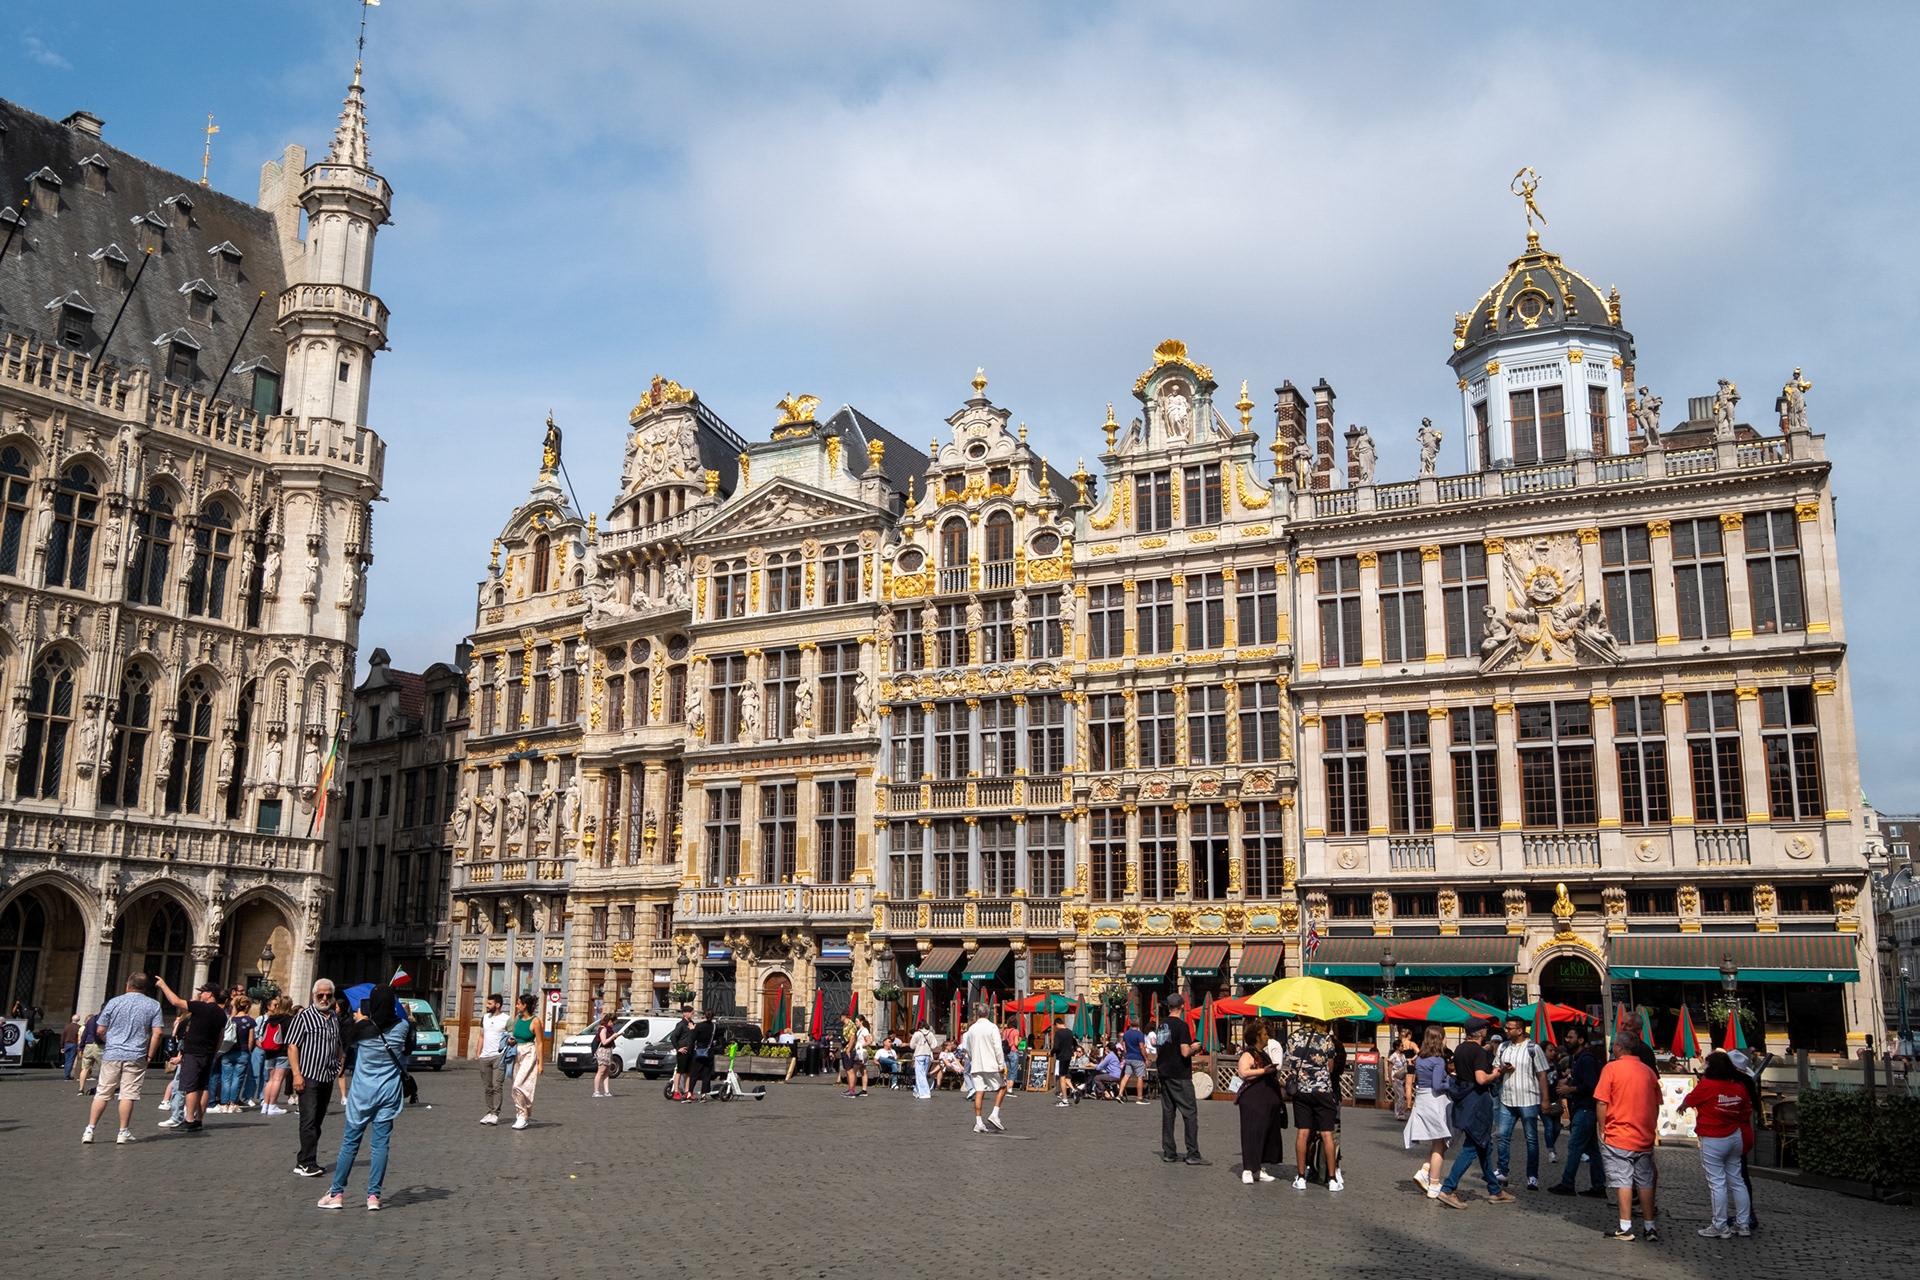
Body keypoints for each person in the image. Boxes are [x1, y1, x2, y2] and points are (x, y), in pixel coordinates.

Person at [316, 982, 411, 1212]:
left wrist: (361, 1017)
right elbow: (407, 1049)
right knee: (380, 1146)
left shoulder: (362, 1029)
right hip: (388, 1092)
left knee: (350, 1144)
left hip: (362, 1094)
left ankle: (337, 1193)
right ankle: (373, 1196)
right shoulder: (402, 1028)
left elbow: (348, 1041)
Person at [1436, 1018, 1517, 1208]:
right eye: (1485, 1029)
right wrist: (1498, 1073)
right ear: (1481, 1032)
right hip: (1477, 1102)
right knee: (1472, 1147)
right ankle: (1448, 1188)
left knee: (1484, 1148)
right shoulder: (1479, 1052)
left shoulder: (1460, 1049)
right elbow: (1481, 1079)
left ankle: (1495, 1191)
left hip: (1464, 1100)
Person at [1594, 1031, 1662, 1242]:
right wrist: (1651, 1127)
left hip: (1619, 1134)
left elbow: (1602, 1102)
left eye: (1613, 1045)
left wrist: (1602, 1128)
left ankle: (1625, 1226)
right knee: (1645, 1181)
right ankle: (1650, 1227)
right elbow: (1657, 1104)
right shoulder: (1648, 1072)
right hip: (1643, 1134)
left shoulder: (1611, 1068)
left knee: (1624, 1180)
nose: (1611, 1048)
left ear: (1620, 1048)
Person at [81, 975, 164, 1145]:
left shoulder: (113, 1002)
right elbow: (158, 1033)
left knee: (102, 1092)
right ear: (145, 987)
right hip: (137, 1054)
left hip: (112, 1053)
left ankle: (89, 1130)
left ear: (127, 986)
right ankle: (123, 1131)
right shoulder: (153, 1005)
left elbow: (101, 1029)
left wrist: (110, 1042)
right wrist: (150, 1054)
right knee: (127, 1094)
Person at [1681, 1052, 1754, 1239]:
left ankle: (1720, 1225)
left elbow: (1688, 1101)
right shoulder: (1738, 1087)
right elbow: (1746, 1111)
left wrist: (1682, 1107)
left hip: (1713, 1137)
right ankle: (1743, 1223)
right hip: (1735, 1135)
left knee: (1717, 1183)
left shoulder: (1706, 1085)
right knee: (1737, 1181)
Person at [287, 979, 345, 1177]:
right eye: (321, 995)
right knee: (308, 1119)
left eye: (328, 995)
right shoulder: (303, 1017)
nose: (324, 998)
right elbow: (292, 1046)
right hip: (308, 1075)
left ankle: (305, 1158)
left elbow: (338, 1043)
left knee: (318, 1120)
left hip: (327, 1076)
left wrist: (339, 1063)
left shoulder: (333, 1018)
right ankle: (307, 1162)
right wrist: (296, 1074)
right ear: (313, 996)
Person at [153, 977, 226, 1131]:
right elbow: (221, 1035)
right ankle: (199, 1119)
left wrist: (163, 985)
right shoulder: (221, 1013)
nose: (200, 994)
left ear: (210, 994)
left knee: (191, 1087)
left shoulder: (201, 1007)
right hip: (208, 1053)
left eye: (203, 992)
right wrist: (214, 1051)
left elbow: (176, 1001)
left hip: (194, 1052)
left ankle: (189, 1120)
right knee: (203, 1087)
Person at [1282, 1016, 1343, 1190]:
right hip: (1322, 1090)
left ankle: (1301, 1177)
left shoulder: (1293, 1037)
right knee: (1326, 1134)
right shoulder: (1325, 1038)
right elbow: (1330, 1068)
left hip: (1302, 1090)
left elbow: (1292, 1064)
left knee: (1303, 1133)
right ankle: (1332, 1179)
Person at [1547, 1025, 1607, 1197]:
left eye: (1571, 1037)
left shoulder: (1586, 1059)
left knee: (1574, 1146)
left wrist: (1570, 1090)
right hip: (1582, 1108)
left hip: (1586, 1109)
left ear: (1581, 1040)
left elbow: (1591, 1086)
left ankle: (1567, 1183)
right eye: (1567, 1037)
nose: (1567, 1040)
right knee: (1592, 1150)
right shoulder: (1577, 1059)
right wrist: (1569, 1083)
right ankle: (1598, 1186)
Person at [1494, 1015, 1550, 1189]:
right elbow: (1496, 1071)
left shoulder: (1533, 1048)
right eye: (1505, 1027)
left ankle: (1532, 1175)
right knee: (1503, 1136)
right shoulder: (1503, 1048)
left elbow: (1542, 1074)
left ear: (1519, 1030)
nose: (1505, 1030)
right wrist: (1503, 1070)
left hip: (1528, 1099)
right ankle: (1502, 1171)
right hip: (1507, 1099)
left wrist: (1545, 1099)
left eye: (1509, 1028)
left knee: (1531, 1139)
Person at [1156, 992, 1207, 1165]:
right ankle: (1193, 1153)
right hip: (1180, 1075)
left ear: (1168, 1007)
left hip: (1164, 1073)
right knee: (1190, 1112)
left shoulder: (1162, 1026)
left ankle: (1169, 1152)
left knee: (1168, 1113)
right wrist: (1194, 1047)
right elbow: (1185, 1052)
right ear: (1183, 1007)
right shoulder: (1182, 1026)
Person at [1235, 1022, 1286, 1184]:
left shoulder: (1263, 1053)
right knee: (1252, 1132)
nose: (1267, 1037)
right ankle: (1248, 1169)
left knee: (1264, 1133)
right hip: (1254, 1101)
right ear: (1257, 1036)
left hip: (1267, 1101)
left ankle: (1258, 1167)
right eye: (1264, 1034)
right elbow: (1243, 1072)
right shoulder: (1248, 1054)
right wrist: (1264, 1071)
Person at [1406, 1025, 1453, 1198]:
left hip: (1423, 1099)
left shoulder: (1420, 1059)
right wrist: (1453, 1083)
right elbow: (1438, 1085)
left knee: (1437, 1142)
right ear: (1439, 1039)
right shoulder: (1438, 1060)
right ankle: (1434, 1184)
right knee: (1440, 1144)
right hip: (1435, 1102)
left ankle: (1425, 1171)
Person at [961, 1004, 1009, 1133]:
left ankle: (978, 1122)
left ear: (978, 1014)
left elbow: (968, 1049)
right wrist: (1001, 1065)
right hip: (991, 1064)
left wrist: (973, 1060)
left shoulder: (971, 1029)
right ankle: (994, 1113)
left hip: (976, 1065)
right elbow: (998, 1048)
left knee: (979, 1092)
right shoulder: (992, 1027)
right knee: (1003, 1087)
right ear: (988, 1014)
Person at [217, 990, 255, 1114]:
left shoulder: (230, 1019)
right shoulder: (250, 1021)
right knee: (237, 1078)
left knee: (226, 1078)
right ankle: (233, 1103)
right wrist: (248, 1051)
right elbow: (251, 1039)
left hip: (227, 1051)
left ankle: (224, 1103)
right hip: (242, 1051)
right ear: (247, 1006)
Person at [476, 994, 511, 1122]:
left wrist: (507, 1053)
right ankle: (489, 1112)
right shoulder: (484, 1018)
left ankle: (495, 1114)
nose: (486, 1006)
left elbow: (511, 1037)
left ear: (497, 1005)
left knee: (497, 1085)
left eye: (489, 1004)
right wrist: (478, 1052)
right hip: (485, 1056)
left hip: (499, 1056)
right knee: (487, 1087)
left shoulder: (506, 1019)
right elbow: (481, 1035)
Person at [509, 993, 543, 1127]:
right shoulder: (518, 1018)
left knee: (519, 1085)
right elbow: (514, 1034)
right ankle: (522, 1114)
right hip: (516, 1053)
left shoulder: (535, 1021)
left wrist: (540, 1063)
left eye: (518, 1003)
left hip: (529, 1052)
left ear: (525, 1005)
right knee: (516, 1086)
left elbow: (540, 1043)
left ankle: (522, 1116)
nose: (516, 1006)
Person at [257, 996, 294, 1115]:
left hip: (269, 1051)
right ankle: (273, 1105)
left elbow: (262, 1034)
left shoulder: (270, 1019)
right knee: (278, 1079)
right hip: (283, 1052)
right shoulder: (290, 1020)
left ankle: (266, 1105)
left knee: (271, 1079)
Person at [668, 1005, 697, 1101]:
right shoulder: (681, 1024)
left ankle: (687, 1091)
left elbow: (694, 1037)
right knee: (679, 1072)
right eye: (690, 1012)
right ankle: (676, 1091)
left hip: (690, 1051)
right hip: (682, 1052)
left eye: (692, 1012)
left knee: (688, 1073)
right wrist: (678, 1048)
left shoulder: (692, 1024)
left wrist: (693, 1030)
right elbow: (673, 1037)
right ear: (685, 1013)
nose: (692, 1014)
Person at [75, 1009, 105, 1096]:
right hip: (99, 1046)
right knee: (103, 1069)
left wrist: (81, 1047)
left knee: (84, 1068)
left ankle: (81, 1089)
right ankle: (101, 1088)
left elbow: (84, 1034)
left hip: (88, 1045)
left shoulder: (91, 1019)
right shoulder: (105, 1018)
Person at [1121, 1020, 1150, 1105]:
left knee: (1126, 1076)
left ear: (1130, 1024)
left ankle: (1119, 1094)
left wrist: (1127, 1053)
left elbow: (1124, 1045)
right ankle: (1139, 1098)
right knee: (1140, 1077)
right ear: (1138, 1024)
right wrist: (1146, 1059)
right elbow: (1141, 1047)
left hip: (1129, 1057)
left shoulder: (1126, 1033)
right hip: (1138, 1058)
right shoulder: (1139, 1034)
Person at [1052, 1016, 1078, 1107]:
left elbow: (1056, 1047)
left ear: (1057, 1024)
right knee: (1065, 1075)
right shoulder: (1070, 1032)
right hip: (1068, 1056)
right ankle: (1073, 1090)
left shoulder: (1059, 1033)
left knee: (1062, 1078)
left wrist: (1051, 1053)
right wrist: (1073, 1051)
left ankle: (1064, 1099)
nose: (1056, 1028)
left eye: (1056, 1026)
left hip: (1061, 1057)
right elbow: (1074, 1043)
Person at [591, 1012, 619, 1098]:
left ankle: (607, 1091)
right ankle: (596, 1091)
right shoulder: (603, 1029)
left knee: (607, 1072)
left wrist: (615, 1036)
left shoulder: (609, 1030)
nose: (614, 1025)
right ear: (610, 1021)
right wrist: (612, 1037)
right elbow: (604, 1042)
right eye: (613, 1023)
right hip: (603, 1051)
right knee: (601, 1071)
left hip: (609, 1051)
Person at [910, 1021, 939, 1099]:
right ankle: (916, 1091)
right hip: (927, 1055)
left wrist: (918, 1045)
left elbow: (912, 1046)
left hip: (919, 1054)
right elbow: (934, 1045)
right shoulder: (930, 1034)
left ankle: (925, 1092)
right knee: (923, 1074)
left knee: (920, 1074)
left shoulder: (917, 1034)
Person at [60, 1012, 82, 1080]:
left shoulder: (66, 1026)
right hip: (74, 1044)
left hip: (66, 1044)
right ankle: (67, 1076)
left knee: (67, 1060)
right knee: (71, 1060)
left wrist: (62, 1046)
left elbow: (63, 1036)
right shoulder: (79, 1027)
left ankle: (66, 1074)